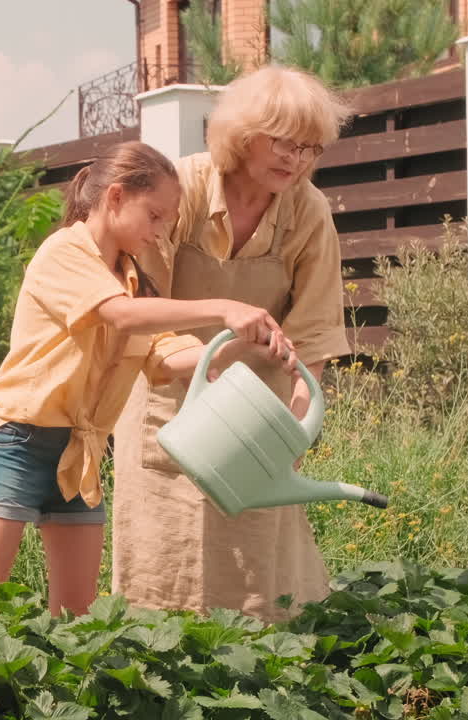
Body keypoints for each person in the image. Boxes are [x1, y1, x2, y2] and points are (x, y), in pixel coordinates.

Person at [0, 141, 296, 616]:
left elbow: (164, 357)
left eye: (167, 221)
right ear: (115, 197)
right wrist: (222, 307)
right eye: (154, 216)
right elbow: (121, 317)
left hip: (80, 452)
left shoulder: (131, 278)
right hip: (18, 442)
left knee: (77, 614)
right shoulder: (64, 253)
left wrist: (243, 347)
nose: (161, 232)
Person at [111, 66, 354, 623]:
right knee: (161, 572)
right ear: (245, 134)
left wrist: (291, 434)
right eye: (283, 141)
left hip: (256, 414)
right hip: (165, 402)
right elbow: (145, 314)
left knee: (257, 578)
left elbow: (314, 333)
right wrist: (213, 357)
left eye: (308, 148)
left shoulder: (308, 210)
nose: (295, 159)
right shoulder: (184, 189)